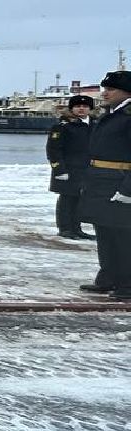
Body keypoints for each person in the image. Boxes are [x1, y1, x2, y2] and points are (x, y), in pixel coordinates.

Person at [79, 71, 131, 301]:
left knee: (122, 234)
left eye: (111, 89)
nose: (105, 93)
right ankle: (108, 276)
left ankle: (127, 283)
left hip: (119, 180)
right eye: (104, 88)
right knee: (105, 231)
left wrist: (128, 189)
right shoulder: (113, 113)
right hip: (101, 180)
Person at [47, 94, 96, 240]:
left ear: (90, 108)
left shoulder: (95, 125)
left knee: (80, 199)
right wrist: (59, 169)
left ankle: (77, 228)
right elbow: (53, 149)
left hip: (87, 169)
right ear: (72, 108)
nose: (81, 109)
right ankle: (65, 228)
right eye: (78, 106)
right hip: (68, 169)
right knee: (67, 199)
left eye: (85, 106)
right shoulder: (63, 126)